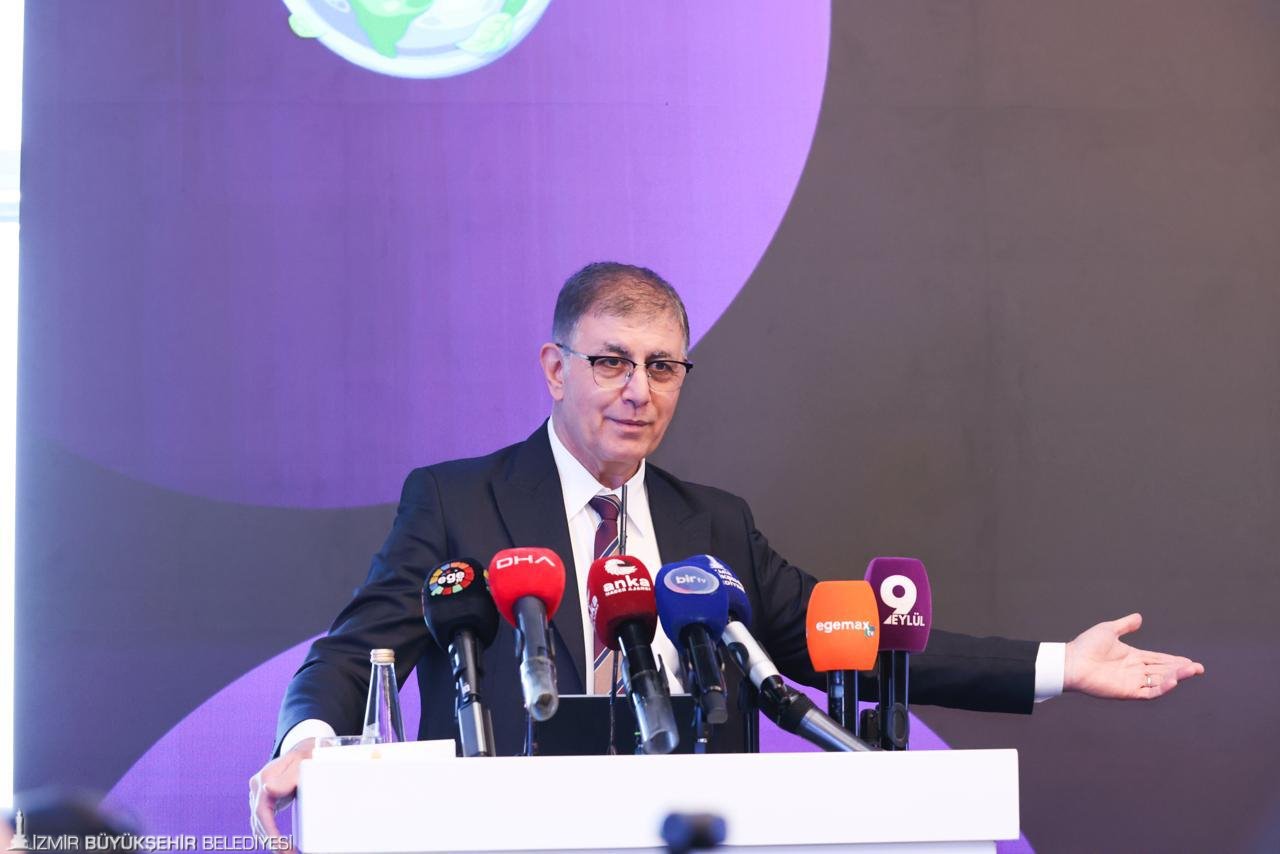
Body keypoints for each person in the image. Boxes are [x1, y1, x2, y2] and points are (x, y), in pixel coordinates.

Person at [250, 262, 1203, 842]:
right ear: (554, 369)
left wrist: (1057, 665)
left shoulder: (713, 524)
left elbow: (849, 637)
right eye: (611, 361)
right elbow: (354, 650)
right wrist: (310, 742)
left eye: (663, 366)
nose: (639, 390)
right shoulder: (459, 501)